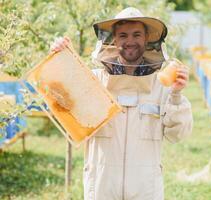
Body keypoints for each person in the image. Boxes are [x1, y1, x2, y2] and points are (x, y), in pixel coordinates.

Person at [51, 7, 193, 200]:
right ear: (114, 39)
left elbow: (177, 135)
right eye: (123, 35)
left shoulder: (161, 85)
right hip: (101, 187)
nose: (130, 41)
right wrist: (60, 57)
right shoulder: (95, 81)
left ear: (147, 38)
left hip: (146, 189)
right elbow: (63, 103)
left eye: (137, 35)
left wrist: (176, 94)